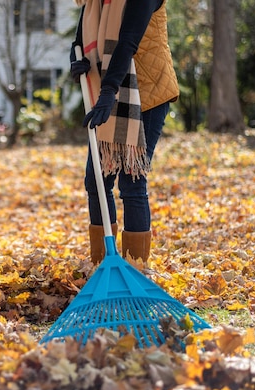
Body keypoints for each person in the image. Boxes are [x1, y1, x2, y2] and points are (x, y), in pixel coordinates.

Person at [70, 0, 179, 266]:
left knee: (131, 181)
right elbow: (80, 38)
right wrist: (77, 59)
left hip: (147, 93)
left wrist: (108, 90)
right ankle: (103, 265)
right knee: (96, 178)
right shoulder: (95, 1)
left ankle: (136, 269)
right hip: (110, 92)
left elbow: (128, 40)